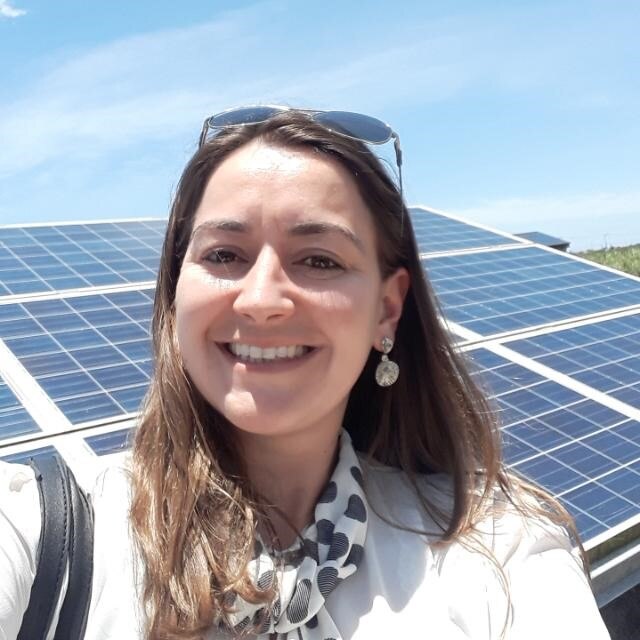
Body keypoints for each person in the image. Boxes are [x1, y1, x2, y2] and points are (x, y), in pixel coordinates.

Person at [0, 106, 610, 640]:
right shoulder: (46, 530)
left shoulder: (497, 550)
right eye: (223, 255)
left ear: (387, 309)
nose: (261, 299)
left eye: (319, 260)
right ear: (175, 290)